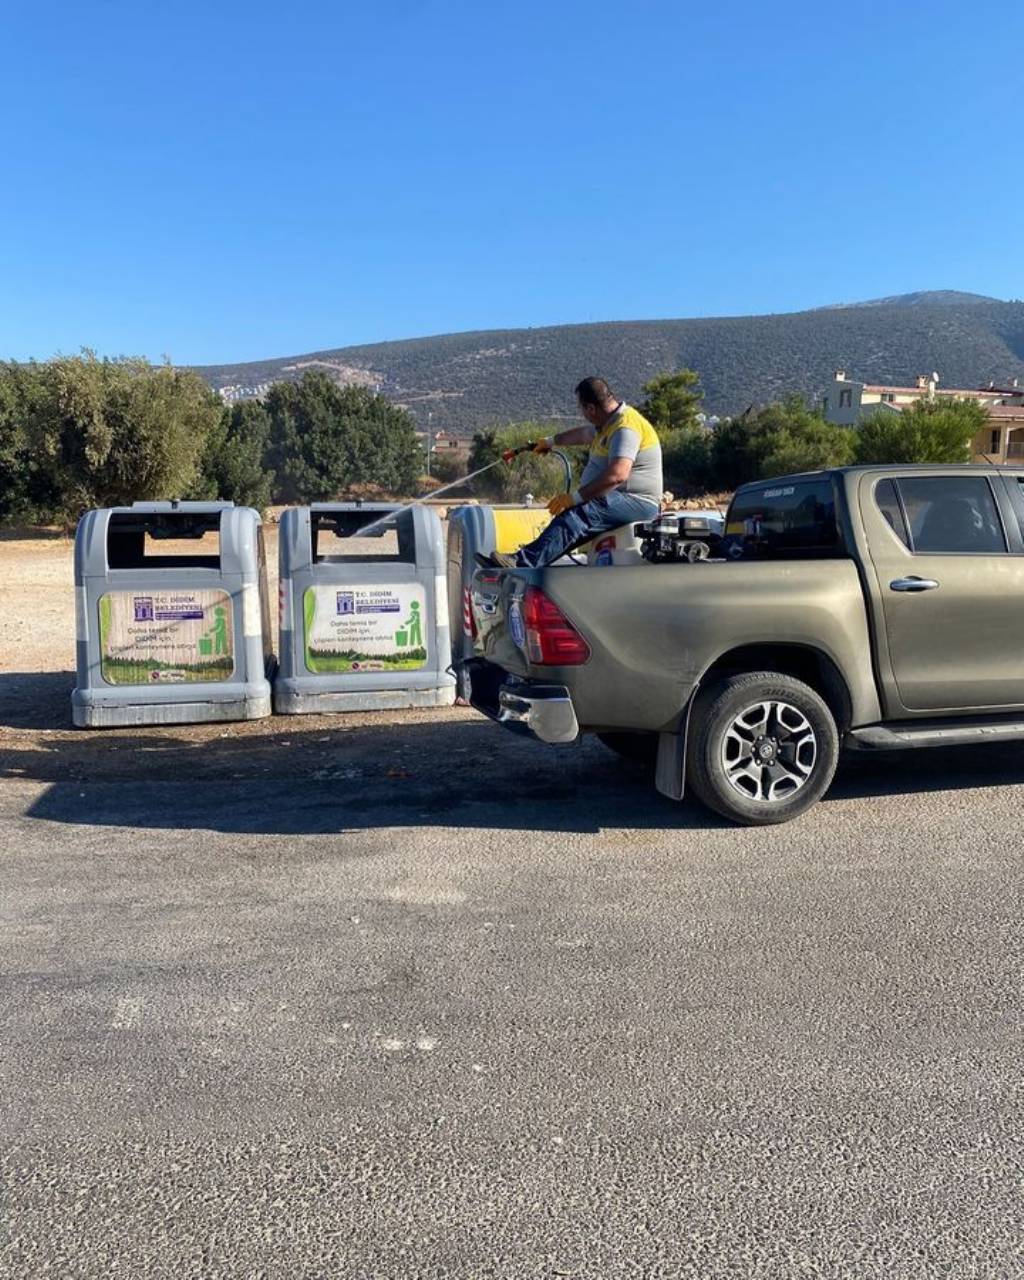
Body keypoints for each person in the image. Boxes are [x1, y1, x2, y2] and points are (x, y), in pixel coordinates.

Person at [488, 377, 662, 568]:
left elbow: (618, 475)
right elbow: (582, 434)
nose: (582, 414)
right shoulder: (607, 424)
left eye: (582, 409)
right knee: (574, 516)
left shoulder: (625, 428)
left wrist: (576, 498)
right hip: (620, 498)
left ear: (591, 409)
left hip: (638, 501)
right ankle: (526, 560)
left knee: (580, 514)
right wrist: (550, 441)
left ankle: (522, 562)